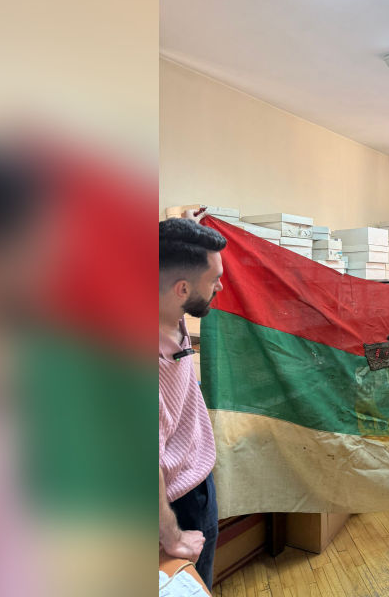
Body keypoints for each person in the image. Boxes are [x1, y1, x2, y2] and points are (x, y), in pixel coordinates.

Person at [159, 215, 226, 587]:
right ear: (182, 289)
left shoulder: (171, 308)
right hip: (176, 505)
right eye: (214, 279)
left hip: (196, 480)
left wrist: (190, 229)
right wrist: (172, 536)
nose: (220, 286)